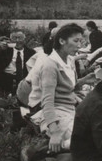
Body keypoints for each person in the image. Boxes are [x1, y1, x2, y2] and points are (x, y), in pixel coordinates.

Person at [38, 24, 96, 153]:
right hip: (57, 116)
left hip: (71, 111)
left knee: (98, 133)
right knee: (90, 142)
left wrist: (84, 80)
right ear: (61, 41)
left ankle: (61, 146)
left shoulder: (69, 60)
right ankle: (45, 150)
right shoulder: (50, 65)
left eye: (81, 41)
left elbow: (67, 88)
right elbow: (47, 101)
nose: (79, 46)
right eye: (75, 41)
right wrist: (55, 131)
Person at [0, 31, 35, 101]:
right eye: (14, 38)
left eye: (20, 38)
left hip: (22, 79)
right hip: (5, 78)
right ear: (10, 40)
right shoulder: (5, 50)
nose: (17, 40)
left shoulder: (31, 52)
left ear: (24, 40)